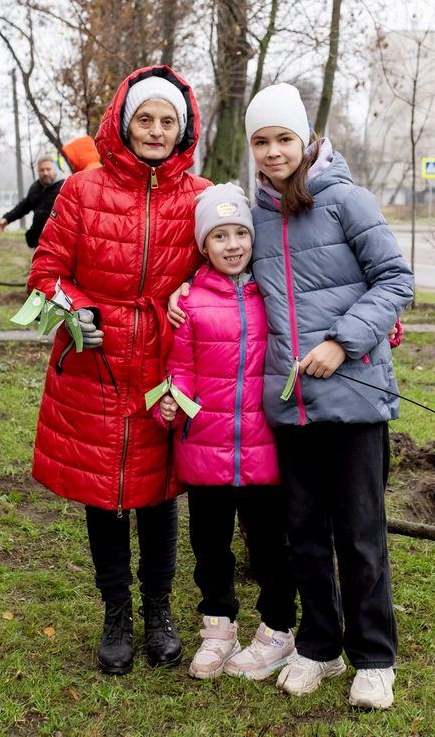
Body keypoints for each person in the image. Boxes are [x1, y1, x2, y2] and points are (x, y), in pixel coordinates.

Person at [26, 67, 210, 675]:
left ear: (183, 130)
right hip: (94, 364)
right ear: (123, 124)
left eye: (168, 121)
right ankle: (117, 615)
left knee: (159, 496)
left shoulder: (201, 195)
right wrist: (75, 308)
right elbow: (46, 271)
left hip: (166, 363)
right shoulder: (81, 191)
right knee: (103, 497)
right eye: (145, 119)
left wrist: (188, 288)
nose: (156, 131)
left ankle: (158, 610)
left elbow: (227, 264)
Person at [243, 83, 413, 709]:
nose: (273, 151)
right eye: (261, 141)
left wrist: (343, 342)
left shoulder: (347, 200)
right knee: (304, 532)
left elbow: (396, 279)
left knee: (360, 532)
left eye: (284, 138)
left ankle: (374, 657)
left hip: (355, 395)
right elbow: (226, 275)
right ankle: (320, 645)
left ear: (306, 138)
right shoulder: (254, 213)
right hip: (290, 403)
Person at [154, 182, 297, 681]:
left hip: (266, 453)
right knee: (210, 547)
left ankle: (279, 628)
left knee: (270, 548)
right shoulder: (190, 303)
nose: (232, 245)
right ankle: (219, 628)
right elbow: (181, 368)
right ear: (203, 245)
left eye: (240, 233)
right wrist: (170, 401)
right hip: (205, 452)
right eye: (219, 236)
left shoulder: (273, 295)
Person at [0, 154, 63, 248]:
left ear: (54, 169)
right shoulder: (35, 188)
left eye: (48, 169)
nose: (45, 173)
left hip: (58, 244)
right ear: (38, 171)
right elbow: (24, 206)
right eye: (42, 170)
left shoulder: (64, 188)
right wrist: (7, 219)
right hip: (38, 242)